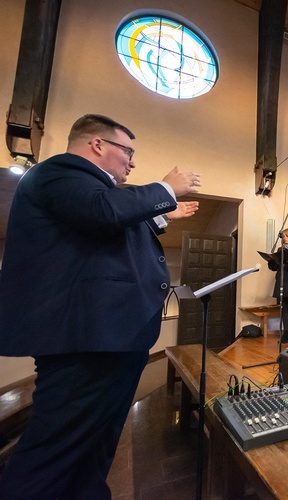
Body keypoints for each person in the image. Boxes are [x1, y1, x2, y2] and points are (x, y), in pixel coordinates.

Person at [0, 114, 201, 498]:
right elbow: (103, 212)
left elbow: (106, 228)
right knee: (56, 450)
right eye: (128, 151)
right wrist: (163, 188)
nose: (133, 162)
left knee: (95, 440)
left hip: (107, 337)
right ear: (97, 145)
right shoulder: (59, 172)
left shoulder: (92, 193)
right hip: (85, 339)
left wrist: (159, 214)